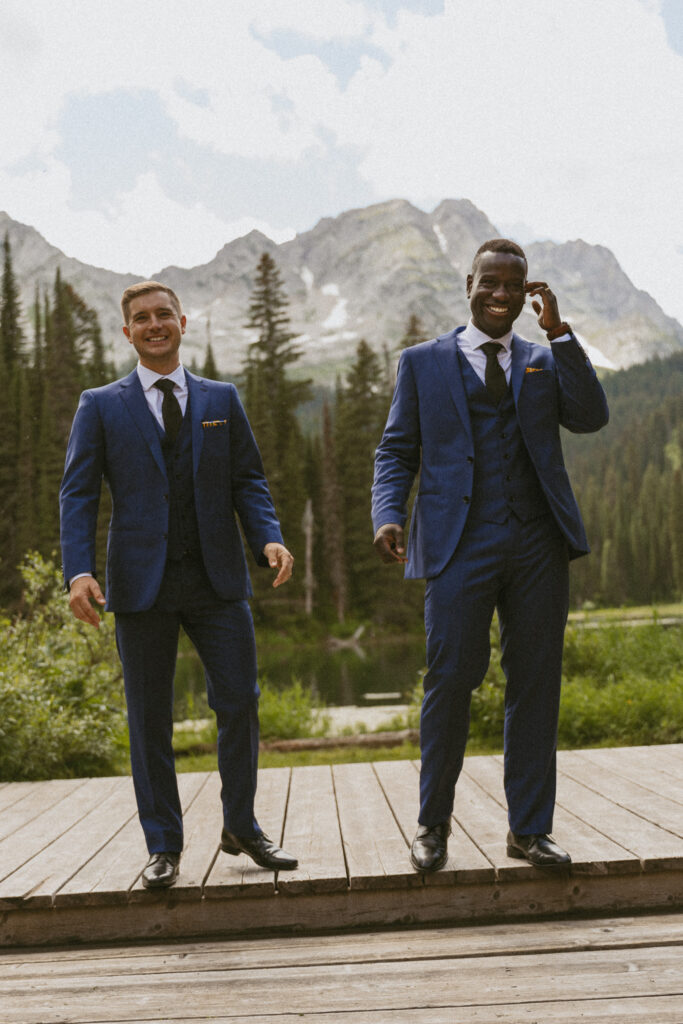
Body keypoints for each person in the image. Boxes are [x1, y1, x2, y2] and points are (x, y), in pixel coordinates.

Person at [372, 240, 609, 873]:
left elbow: (590, 416)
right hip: (457, 544)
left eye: (514, 285)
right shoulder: (422, 363)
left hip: (538, 543)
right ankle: (432, 827)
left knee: (534, 687)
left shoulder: (541, 359)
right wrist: (388, 513)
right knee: (450, 682)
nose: (501, 294)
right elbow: (396, 451)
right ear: (469, 284)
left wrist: (559, 333)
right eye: (490, 283)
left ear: (527, 292)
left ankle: (529, 830)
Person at [60, 281, 299, 889]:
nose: (154, 324)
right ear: (128, 332)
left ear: (183, 322)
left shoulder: (221, 397)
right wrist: (79, 571)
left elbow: (249, 480)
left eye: (164, 314)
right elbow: (79, 493)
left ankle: (241, 826)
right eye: (141, 318)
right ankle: (164, 845)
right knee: (149, 717)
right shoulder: (101, 404)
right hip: (140, 586)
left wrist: (266, 537)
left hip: (217, 580)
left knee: (239, 701)